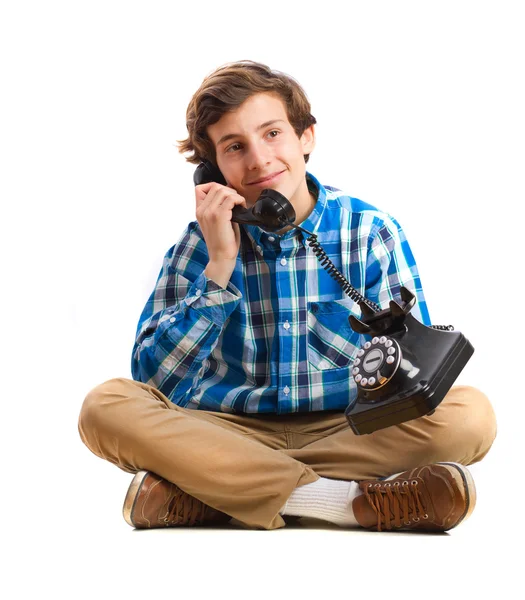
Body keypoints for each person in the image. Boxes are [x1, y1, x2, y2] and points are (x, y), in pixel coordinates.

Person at [78, 60, 497, 532]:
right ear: (214, 170)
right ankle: (343, 502)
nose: (258, 159)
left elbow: (415, 376)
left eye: (272, 133)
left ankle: (217, 492)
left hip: (346, 430)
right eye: (235, 147)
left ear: (306, 138)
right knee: (105, 406)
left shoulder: (369, 231)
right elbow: (153, 381)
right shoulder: (197, 246)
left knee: (471, 416)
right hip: (227, 429)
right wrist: (218, 269)